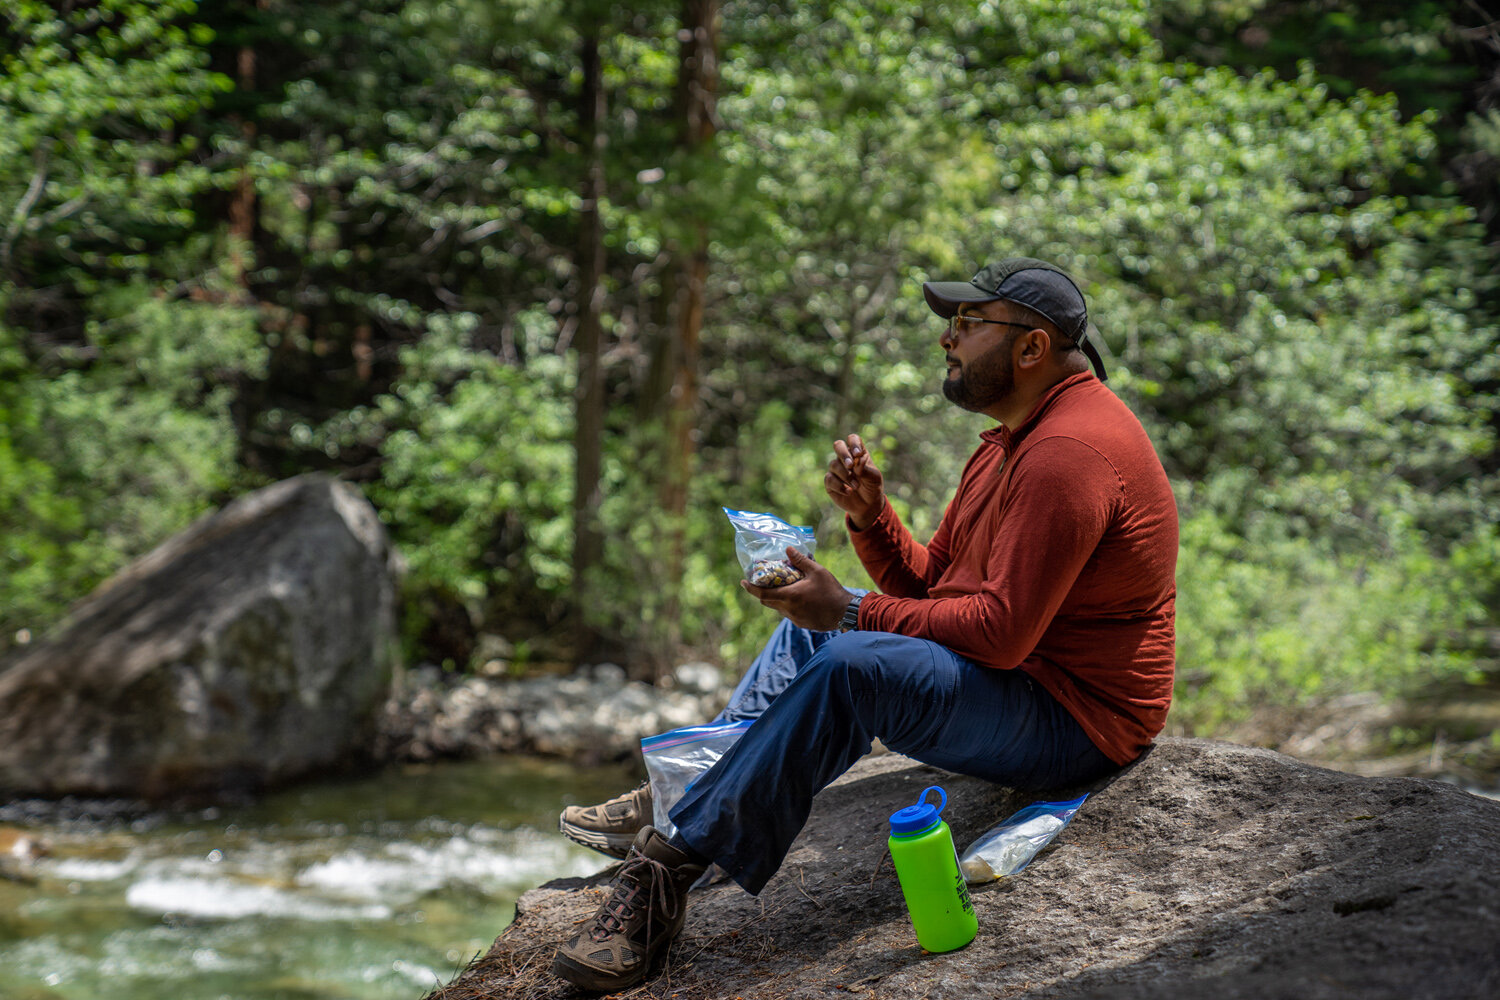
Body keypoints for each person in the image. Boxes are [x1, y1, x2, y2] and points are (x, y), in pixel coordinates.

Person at [551, 257, 1179, 992]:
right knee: (810, 629)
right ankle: (691, 789)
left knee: (850, 662)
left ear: (1032, 347)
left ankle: (662, 880)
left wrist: (848, 610)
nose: (949, 339)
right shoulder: (1010, 441)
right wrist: (871, 519)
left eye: (968, 324)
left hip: (1076, 721)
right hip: (1014, 681)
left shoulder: (1068, 453)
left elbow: (1001, 632)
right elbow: (936, 589)